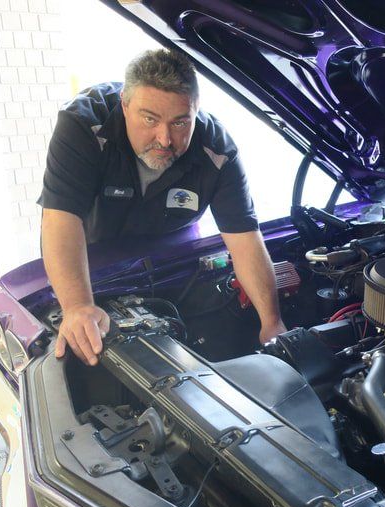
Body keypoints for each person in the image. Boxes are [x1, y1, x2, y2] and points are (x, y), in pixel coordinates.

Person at [38, 49, 287, 366]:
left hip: (168, 259)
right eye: (149, 119)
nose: (165, 139)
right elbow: (60, 219)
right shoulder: (84, 125)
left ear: (196, 111)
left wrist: (271, 323)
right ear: (124, 105)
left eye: (181, 122)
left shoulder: (218, 152)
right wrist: (76, 307)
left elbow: (245, 239)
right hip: (90, 259)